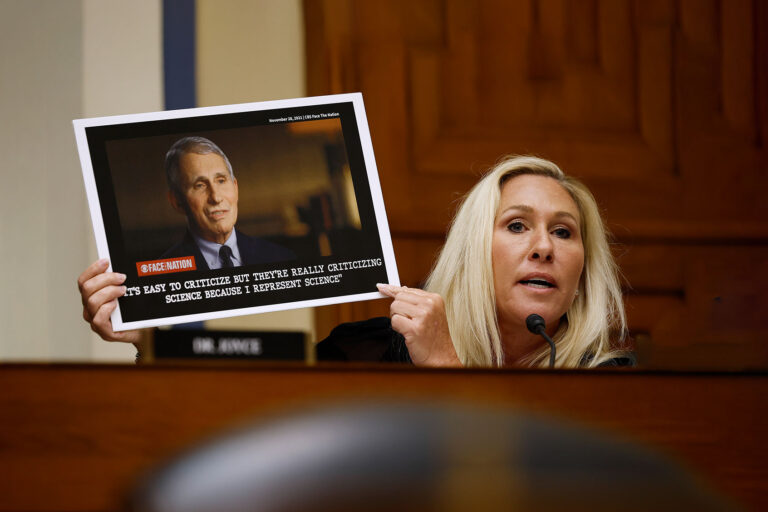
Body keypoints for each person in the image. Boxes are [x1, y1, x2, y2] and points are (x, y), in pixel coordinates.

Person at [79, 155, 632, 367]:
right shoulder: (368, 350)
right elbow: (248, 432)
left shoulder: (615, 387)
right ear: (470, 252)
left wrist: (446, 370)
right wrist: (155, 341)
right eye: (516, 225)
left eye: (564, 232)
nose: (543, 247)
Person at [162, 136, 294, 269]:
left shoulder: (281, 257)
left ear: (235, 188)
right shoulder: (163, 273)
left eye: (221, 180)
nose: (216, 197)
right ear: (177, 201)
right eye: (200, 185)